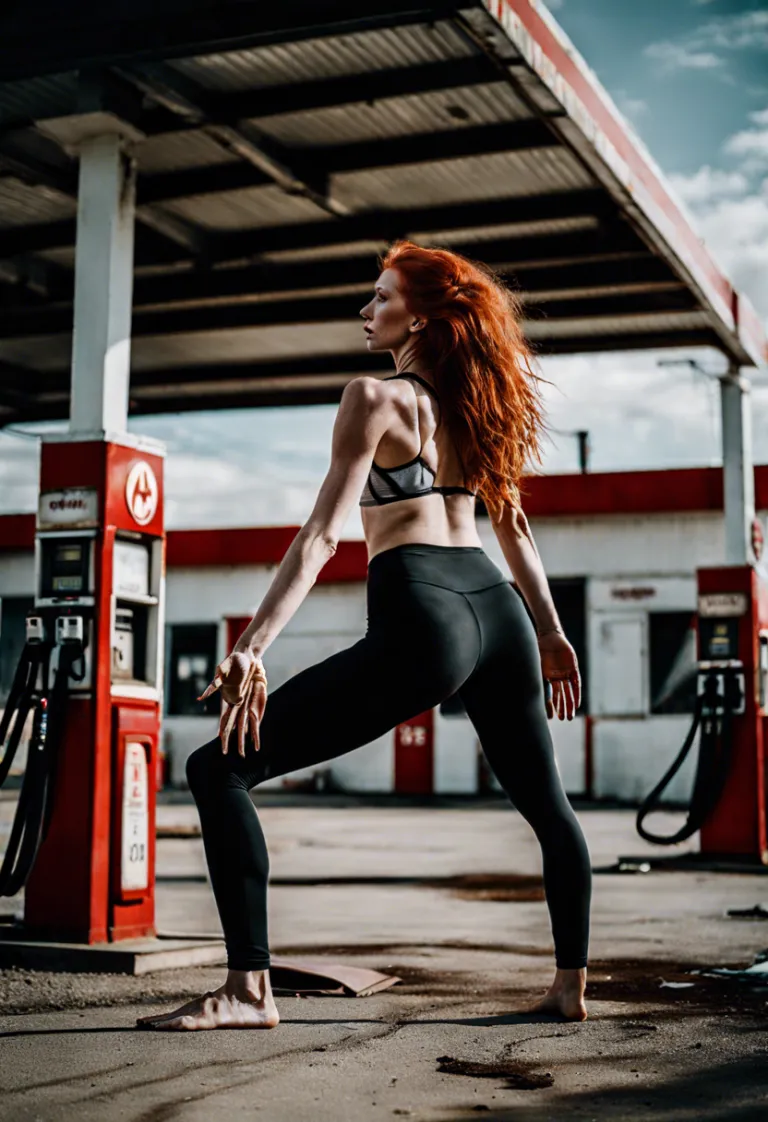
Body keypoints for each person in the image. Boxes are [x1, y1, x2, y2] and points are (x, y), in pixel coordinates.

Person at [138, 241, 590, 1032]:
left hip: (424, 612)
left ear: (418, 315)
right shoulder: (479, 407)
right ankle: (570, 988)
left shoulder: (374, 399)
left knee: (217, 770)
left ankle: (248, 991)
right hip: (499, 610)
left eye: (379, 298)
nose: (365, 310)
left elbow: (321, 537)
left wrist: (252, 644)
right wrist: (551, 633)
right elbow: (512, 527)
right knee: (549, 809)